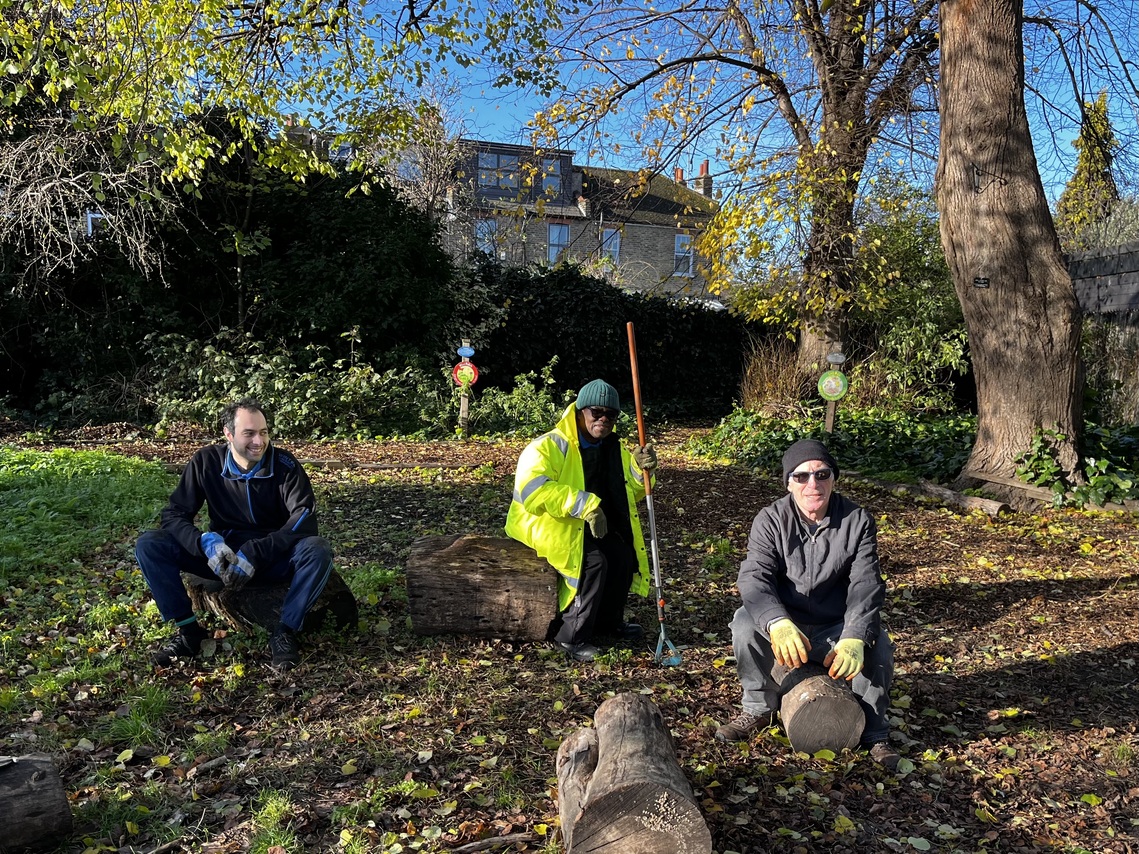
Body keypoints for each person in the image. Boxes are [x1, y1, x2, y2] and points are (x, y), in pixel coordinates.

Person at [715, 438, 899, 769]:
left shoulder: (857, 521)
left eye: (822, 474)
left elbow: (866, 584)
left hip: (835, 626)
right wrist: (777, 622)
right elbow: (754, 578)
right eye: (801, 476)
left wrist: (855, 634)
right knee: (744, 623)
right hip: (789, 626)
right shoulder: (770, 520)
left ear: (834, 478)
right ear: (788, 482)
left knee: (879, 643)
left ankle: (875, 733)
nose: (813, 484)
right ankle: (758, 708)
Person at [135, 398, 333, 672]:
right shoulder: (206, 461)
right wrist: (205, 543)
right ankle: (188, 632)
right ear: (228, 434)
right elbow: (174, 514)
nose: (259, 441)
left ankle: (285, 632)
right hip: (223, 560)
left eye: (263, 432)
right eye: (249, 433)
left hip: (272, 558)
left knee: (317, 549)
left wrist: (256, 551)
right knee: (150, 544)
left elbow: (303, 518)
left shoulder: (285, 465)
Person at [505, 379, 658, 662]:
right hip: (545, 524)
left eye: (610, 415)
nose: (603, 420)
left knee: (623, 555)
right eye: (596, 412)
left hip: (585, 524)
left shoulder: (612, 448)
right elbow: (533, 492)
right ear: (579, 411)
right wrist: (585, 505)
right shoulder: (549, 445)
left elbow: (631, 493)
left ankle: (607, 623)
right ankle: (570, 637)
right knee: (594, 563)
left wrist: (640, 469)